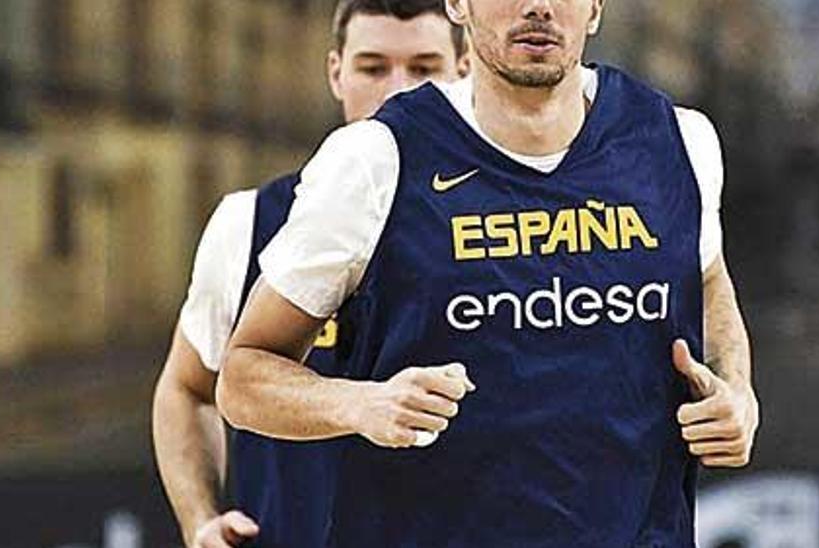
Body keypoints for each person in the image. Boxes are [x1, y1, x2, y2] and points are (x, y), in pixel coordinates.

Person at [218, 0, 759, 546]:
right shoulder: (375, 159)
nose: (538, 7)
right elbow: (242, 377)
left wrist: (736, 391)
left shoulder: (679, 141)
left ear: (595, 7)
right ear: (457, 4)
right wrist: (359, 404)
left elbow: (708, 280)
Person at [151, 2, 468, 547]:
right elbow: (184, 388)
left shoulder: (512, 223)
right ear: (335, 72)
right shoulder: (247, 222)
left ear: (462, 73)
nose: (397, 91)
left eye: (423, 68)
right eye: (373, 67)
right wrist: (200, 521)